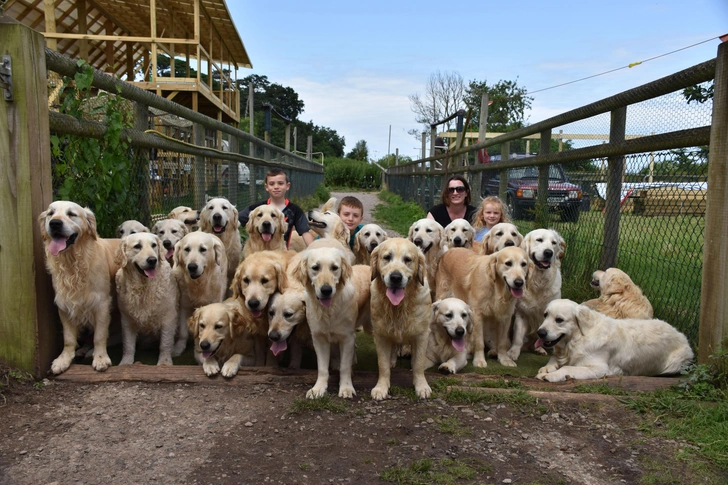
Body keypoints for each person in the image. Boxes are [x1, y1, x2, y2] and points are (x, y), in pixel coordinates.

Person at [238, 168, 315, 249]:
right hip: (255, 252)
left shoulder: (294, 210)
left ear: (287, 186)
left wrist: (314, 251)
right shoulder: (256, 208)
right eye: (272, 184)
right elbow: (234, 221)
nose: (276, 187)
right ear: (266, 187)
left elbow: (305, 232)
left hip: (280, 253)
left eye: (280, 183)